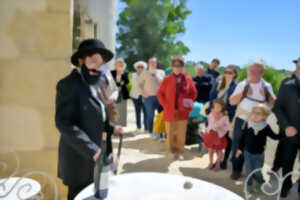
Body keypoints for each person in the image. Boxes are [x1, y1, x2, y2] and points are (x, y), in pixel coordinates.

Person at [55, 39, 123, 200]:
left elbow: (97, 115)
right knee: (79, 195)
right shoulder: (67, 85)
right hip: (79, 159)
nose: (98, 68)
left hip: (100, 153)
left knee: (99, 193)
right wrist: (92, 150)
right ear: (80, 60)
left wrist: (112, 129)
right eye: (94, 62)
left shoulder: (96, 83)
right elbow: (64, 123)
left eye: (101, 64)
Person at [229, 62, 275, 180]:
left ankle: (254, 172)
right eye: (251, 71)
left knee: (256, 148)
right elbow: (231, 102)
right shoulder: (242, 84)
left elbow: (274, 103)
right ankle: (236, 170)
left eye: (256, 71)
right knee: (238, 145)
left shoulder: (267, 86)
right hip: (242, 120)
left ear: (262, 73)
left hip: (259, 124)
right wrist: (243, 93)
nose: (252, 73)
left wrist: (268, 95)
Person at [235, 104, 283, 193]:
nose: (255, 115)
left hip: (259, 154)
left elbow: (274, 136)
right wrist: (239, 149)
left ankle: (260, 181)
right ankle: (248, 186)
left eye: (258, 113)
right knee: (248, 171)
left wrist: (283, 134)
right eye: (253, 113)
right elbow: (243, 137)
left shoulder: (265, 127)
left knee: (258, 171)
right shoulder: (249, 124)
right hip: (248, 153)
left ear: (265, 116)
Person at [157, 56, 197, 160]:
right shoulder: (167, 79)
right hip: (170, 110)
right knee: (170, 132)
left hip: (182, 111)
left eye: (179, 65)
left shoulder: (188, 79)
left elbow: (193, 93)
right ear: (172, 67)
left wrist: (188, 102)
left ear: (183, 67)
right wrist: (165, 105)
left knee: (181, 132)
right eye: (175, 65)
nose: (177, 67)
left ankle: (179, 152)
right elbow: (160, 93)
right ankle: (171, 151)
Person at [273, 57, 300, 198]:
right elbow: (277, 107)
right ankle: (286, 184)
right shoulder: (287, 84)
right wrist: (286, 126)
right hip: (290, 132)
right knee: (287, 161)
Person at [209, 65, 238, 169]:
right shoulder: (219, 83)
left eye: (230, 72)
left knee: (227, 139)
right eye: (226, 72)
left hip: (228, 115)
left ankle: (225, 160)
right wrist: (213, 109)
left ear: (234, 74)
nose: (227, 74)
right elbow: (212, 96)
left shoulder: (236, 86)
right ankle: (218, 160)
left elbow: (236, 103)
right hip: (216, 115)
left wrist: (225, 112)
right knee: (217, 138)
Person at [138, 57, 165, 136]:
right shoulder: (144, 73)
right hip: (148, 98)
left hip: (160, 97)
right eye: (151, 62)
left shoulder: (161, 72)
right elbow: (139, 85)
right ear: (148, 63)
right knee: (150, 115)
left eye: (154, 62)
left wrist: (156, 76)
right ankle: (151, 132)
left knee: (161, 115)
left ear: (156, 63)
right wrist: (142, 93)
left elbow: (164, 84)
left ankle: (161, 133)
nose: (152, 64)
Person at [203, 99, 231, 171]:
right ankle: (211, 162)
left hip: (219, 136)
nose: (216, 108)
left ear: (222, 107)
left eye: (218, 107)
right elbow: (209, 124)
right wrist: (207, 131)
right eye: (215, 106)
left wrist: (222, 127)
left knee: (219, 151)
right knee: (210, 150)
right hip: (211, 135)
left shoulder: (225, 117)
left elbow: (228, 127)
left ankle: (218, 163)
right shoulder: (211, 114)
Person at [130, 61, 148, 133]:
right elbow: (136, 85)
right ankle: (138, 127)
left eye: (142, 67)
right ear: (136, 68)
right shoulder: (134, 75)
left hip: (145, 96)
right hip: (135, 96)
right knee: (137, 112)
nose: (140, 68)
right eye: (138, 67)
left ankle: (146, 128)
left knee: (145, 112)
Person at [111, 58, 130, 126]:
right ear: (115, 65)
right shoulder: (112, 72)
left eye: (121, 63)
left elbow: (126, 81)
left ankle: (121, 125)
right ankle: (114, 125)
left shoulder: (125, 73)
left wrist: (121, 73)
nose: (120, 64)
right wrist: (119, 84)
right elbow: (111, 82)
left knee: (122, 109)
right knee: (114, 109)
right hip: (113, 93)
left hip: (123, 93)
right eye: (119, 63)